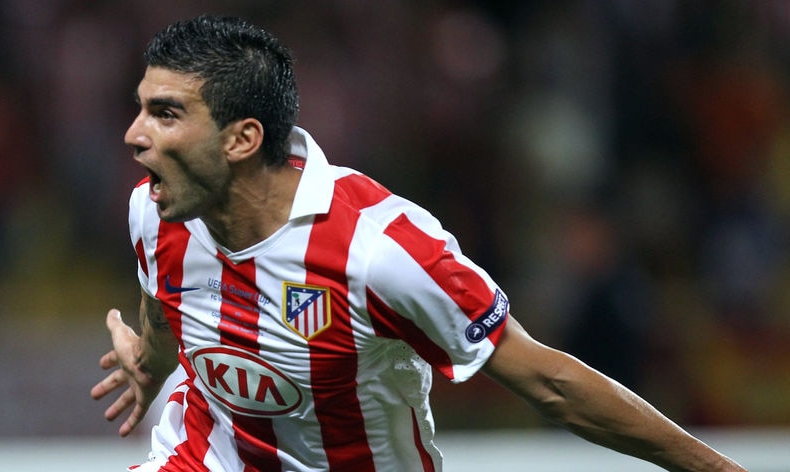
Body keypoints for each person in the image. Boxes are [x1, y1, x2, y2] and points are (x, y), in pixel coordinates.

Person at [91, 14, 746, 472]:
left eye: (166, 113)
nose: (134, 134)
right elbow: (165, 309)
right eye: (142, 106)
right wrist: (150, 364)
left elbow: (550, 382)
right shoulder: (155, 212)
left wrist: (713, 469)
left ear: (242, 138)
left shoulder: (381, 250)